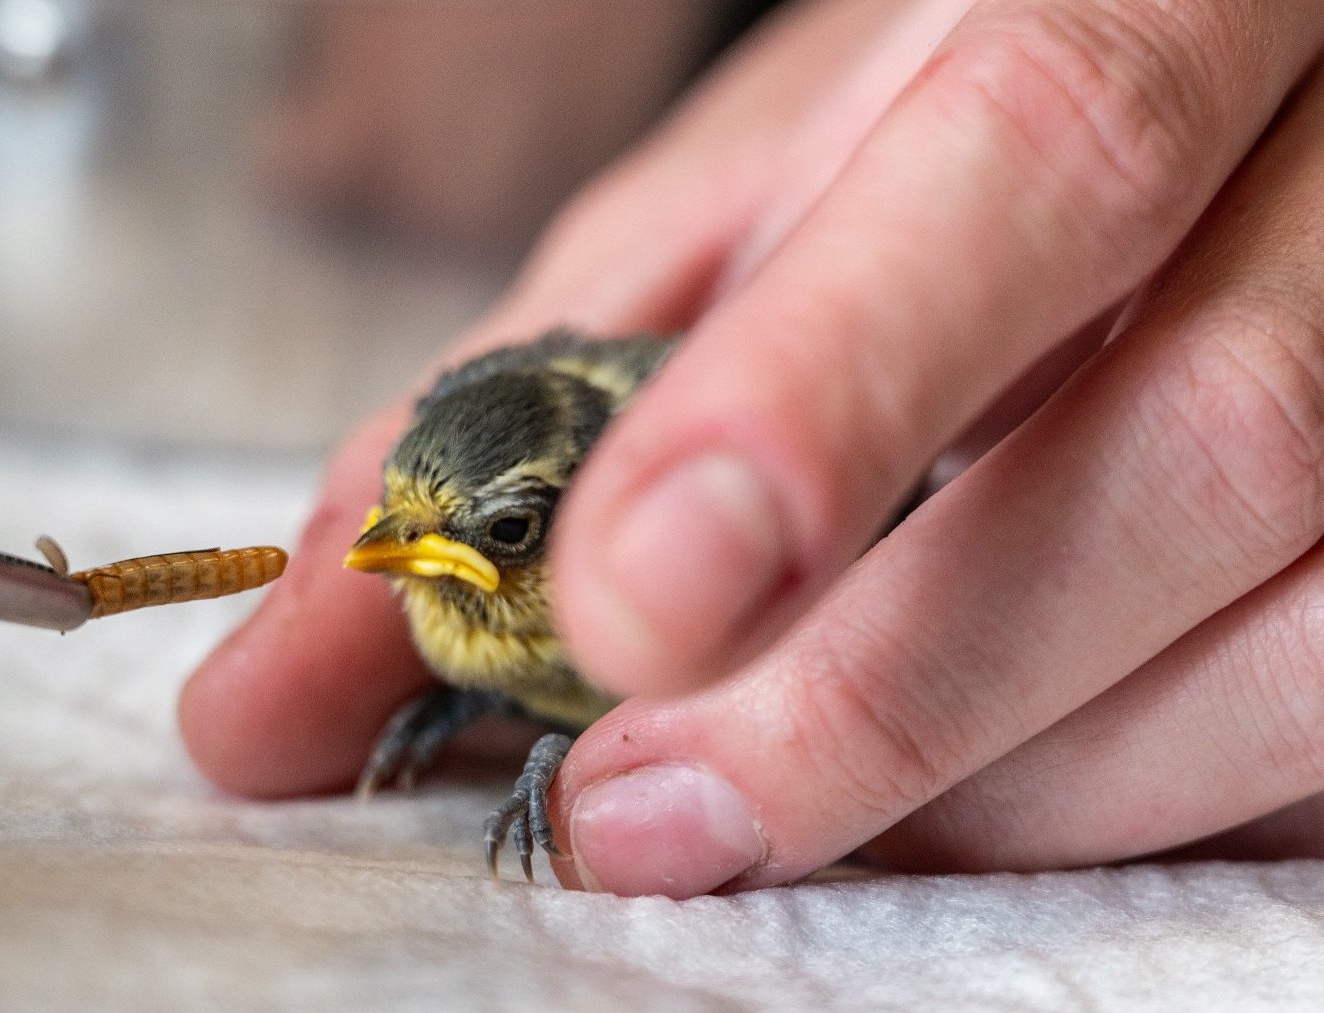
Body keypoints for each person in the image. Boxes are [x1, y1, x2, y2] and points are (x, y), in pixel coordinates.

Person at [181, 0, 1324, 899]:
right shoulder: (472, 595)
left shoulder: (679, 515)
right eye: (406, 524)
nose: (400, 552)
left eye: (508, 533)